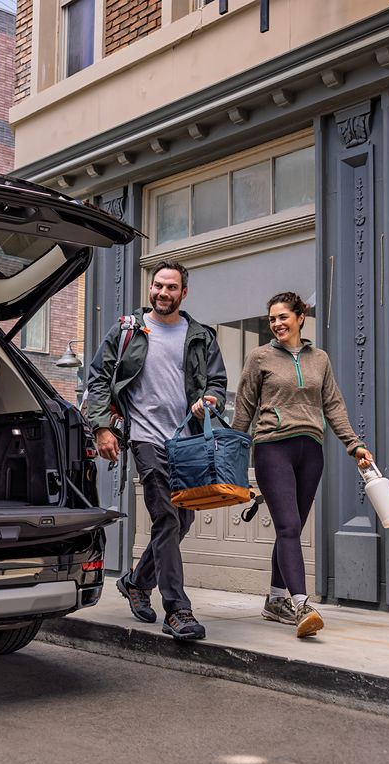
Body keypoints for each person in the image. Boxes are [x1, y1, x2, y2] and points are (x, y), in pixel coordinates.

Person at [83, 261, 228, 641]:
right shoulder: (129, 329)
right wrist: (102, 427)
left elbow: (217, 383)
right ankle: (178, 610)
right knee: (166, 518)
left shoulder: (200, 336)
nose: (163, 293)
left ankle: (136, 582)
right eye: (158, 286)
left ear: (184, 293)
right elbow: (99, 377)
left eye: (171, 287)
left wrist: (210, 399)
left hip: (188, 440)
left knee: (183, 521)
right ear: (151, 288)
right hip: (146, 438)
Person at [231, 292, 373, 639]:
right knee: (290, 527)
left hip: (311, 451)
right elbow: (244, 410)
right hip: (271, 448)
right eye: (272, 319)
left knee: (289, 529)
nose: (277, 324)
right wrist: (231, 458)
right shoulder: (260, 357)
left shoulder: (319, 359)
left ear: (300, 318)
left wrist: (355, 446)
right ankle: (301, 605)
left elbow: (334, 406)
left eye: (283, 317)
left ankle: (275, 600)